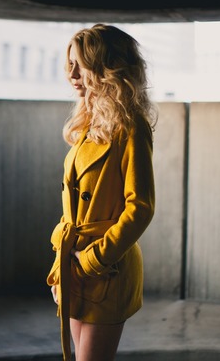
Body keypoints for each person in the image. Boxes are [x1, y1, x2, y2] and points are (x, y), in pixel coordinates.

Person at [46, 23, 157, 361]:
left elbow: (140, 206)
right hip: (76, 264)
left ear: (104, 67)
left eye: (80, 64)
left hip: (106, 266)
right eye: (69, 64)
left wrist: (93, 260)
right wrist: (64, 265)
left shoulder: (130, 125)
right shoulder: (88, 122)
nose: (71, 73)